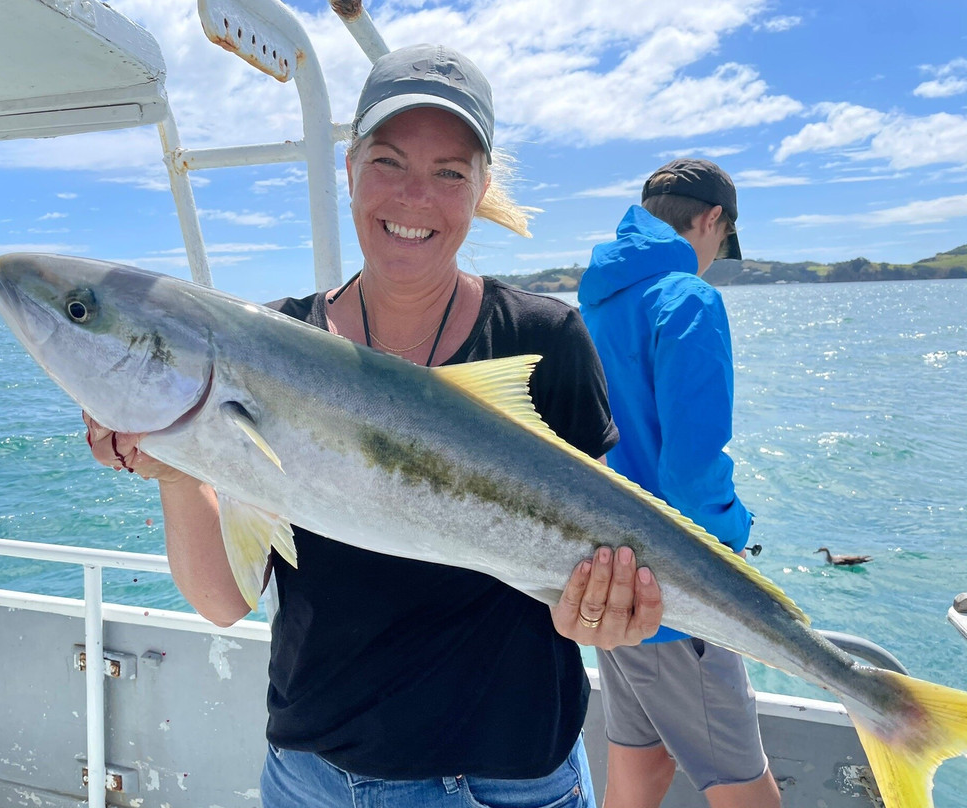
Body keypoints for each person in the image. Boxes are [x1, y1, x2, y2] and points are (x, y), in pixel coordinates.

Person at [83, 44, 663, 808]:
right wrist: (177, 465)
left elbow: (589, 568)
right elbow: (224, 601)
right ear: (351, 168)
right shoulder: (271, 349)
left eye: (449, 172)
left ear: (481, 188)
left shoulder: (544, 341)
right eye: (389, 161)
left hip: (512, 782)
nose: (415, 196)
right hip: (318, 780)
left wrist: (609, 613)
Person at [578, 159, 781, 808]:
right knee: (747, 791)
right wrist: (735, 533)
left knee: (638, 769)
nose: (716, 257)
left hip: (609, 576)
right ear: (713, 219)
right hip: (675, 589)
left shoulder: (595, 305)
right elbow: (691, 475)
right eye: (722, 240)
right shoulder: (688, 299)